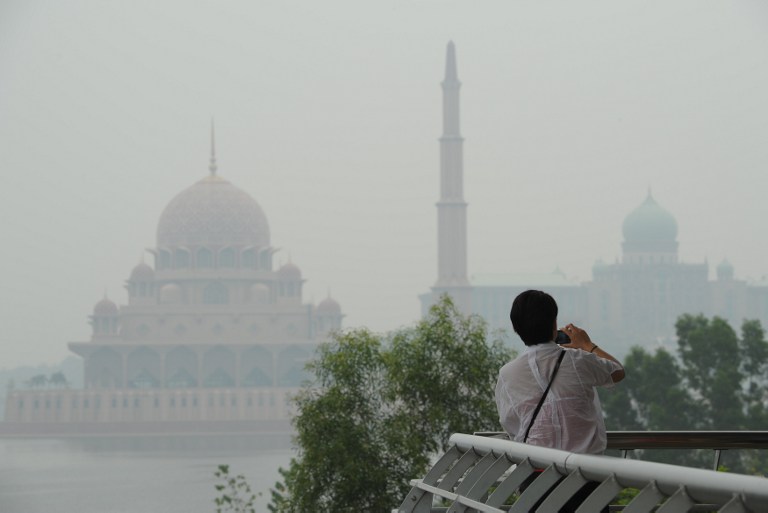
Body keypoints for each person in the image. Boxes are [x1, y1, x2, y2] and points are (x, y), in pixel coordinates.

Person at [495, 290, 625, 511]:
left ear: (516, 328)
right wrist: (586, 344)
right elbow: (617, 372)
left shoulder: (508, 374)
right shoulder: (578, 360)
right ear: (554, 324)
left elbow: (511, 424)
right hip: (584, 477)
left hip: (535, 478)